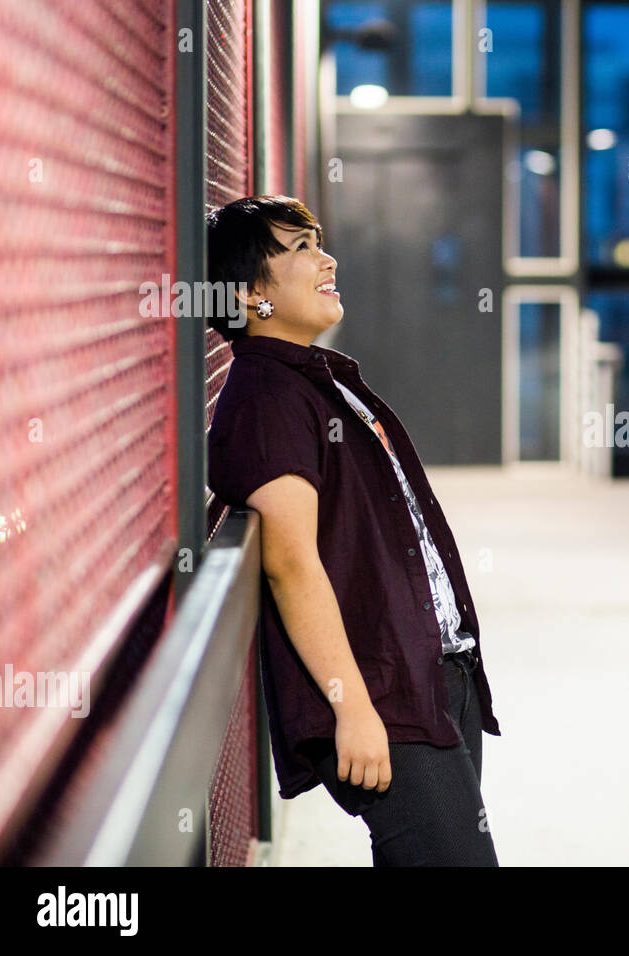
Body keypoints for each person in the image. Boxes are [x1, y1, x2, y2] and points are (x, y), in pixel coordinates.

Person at [204, 195, 499, 866]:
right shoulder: (266, 396)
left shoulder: (316, 379)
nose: (326, 257)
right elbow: (289, 562)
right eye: (300, 249)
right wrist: (353, 708)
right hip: (379, 693)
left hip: (426, 672)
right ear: (250, 297)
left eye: (318, 241)